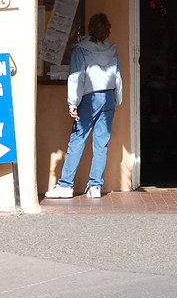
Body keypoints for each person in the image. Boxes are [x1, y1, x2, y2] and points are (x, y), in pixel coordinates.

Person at [45, 13, 123, 199]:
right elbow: (118, 77)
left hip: (88, 98)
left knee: (77, 139)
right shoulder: (112, 51)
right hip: (108, 97)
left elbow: (76, 77)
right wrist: (117, 99)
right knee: (101, 143)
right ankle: (95, 185)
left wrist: (73, 103)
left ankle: (65, 185)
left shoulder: (81, 50)